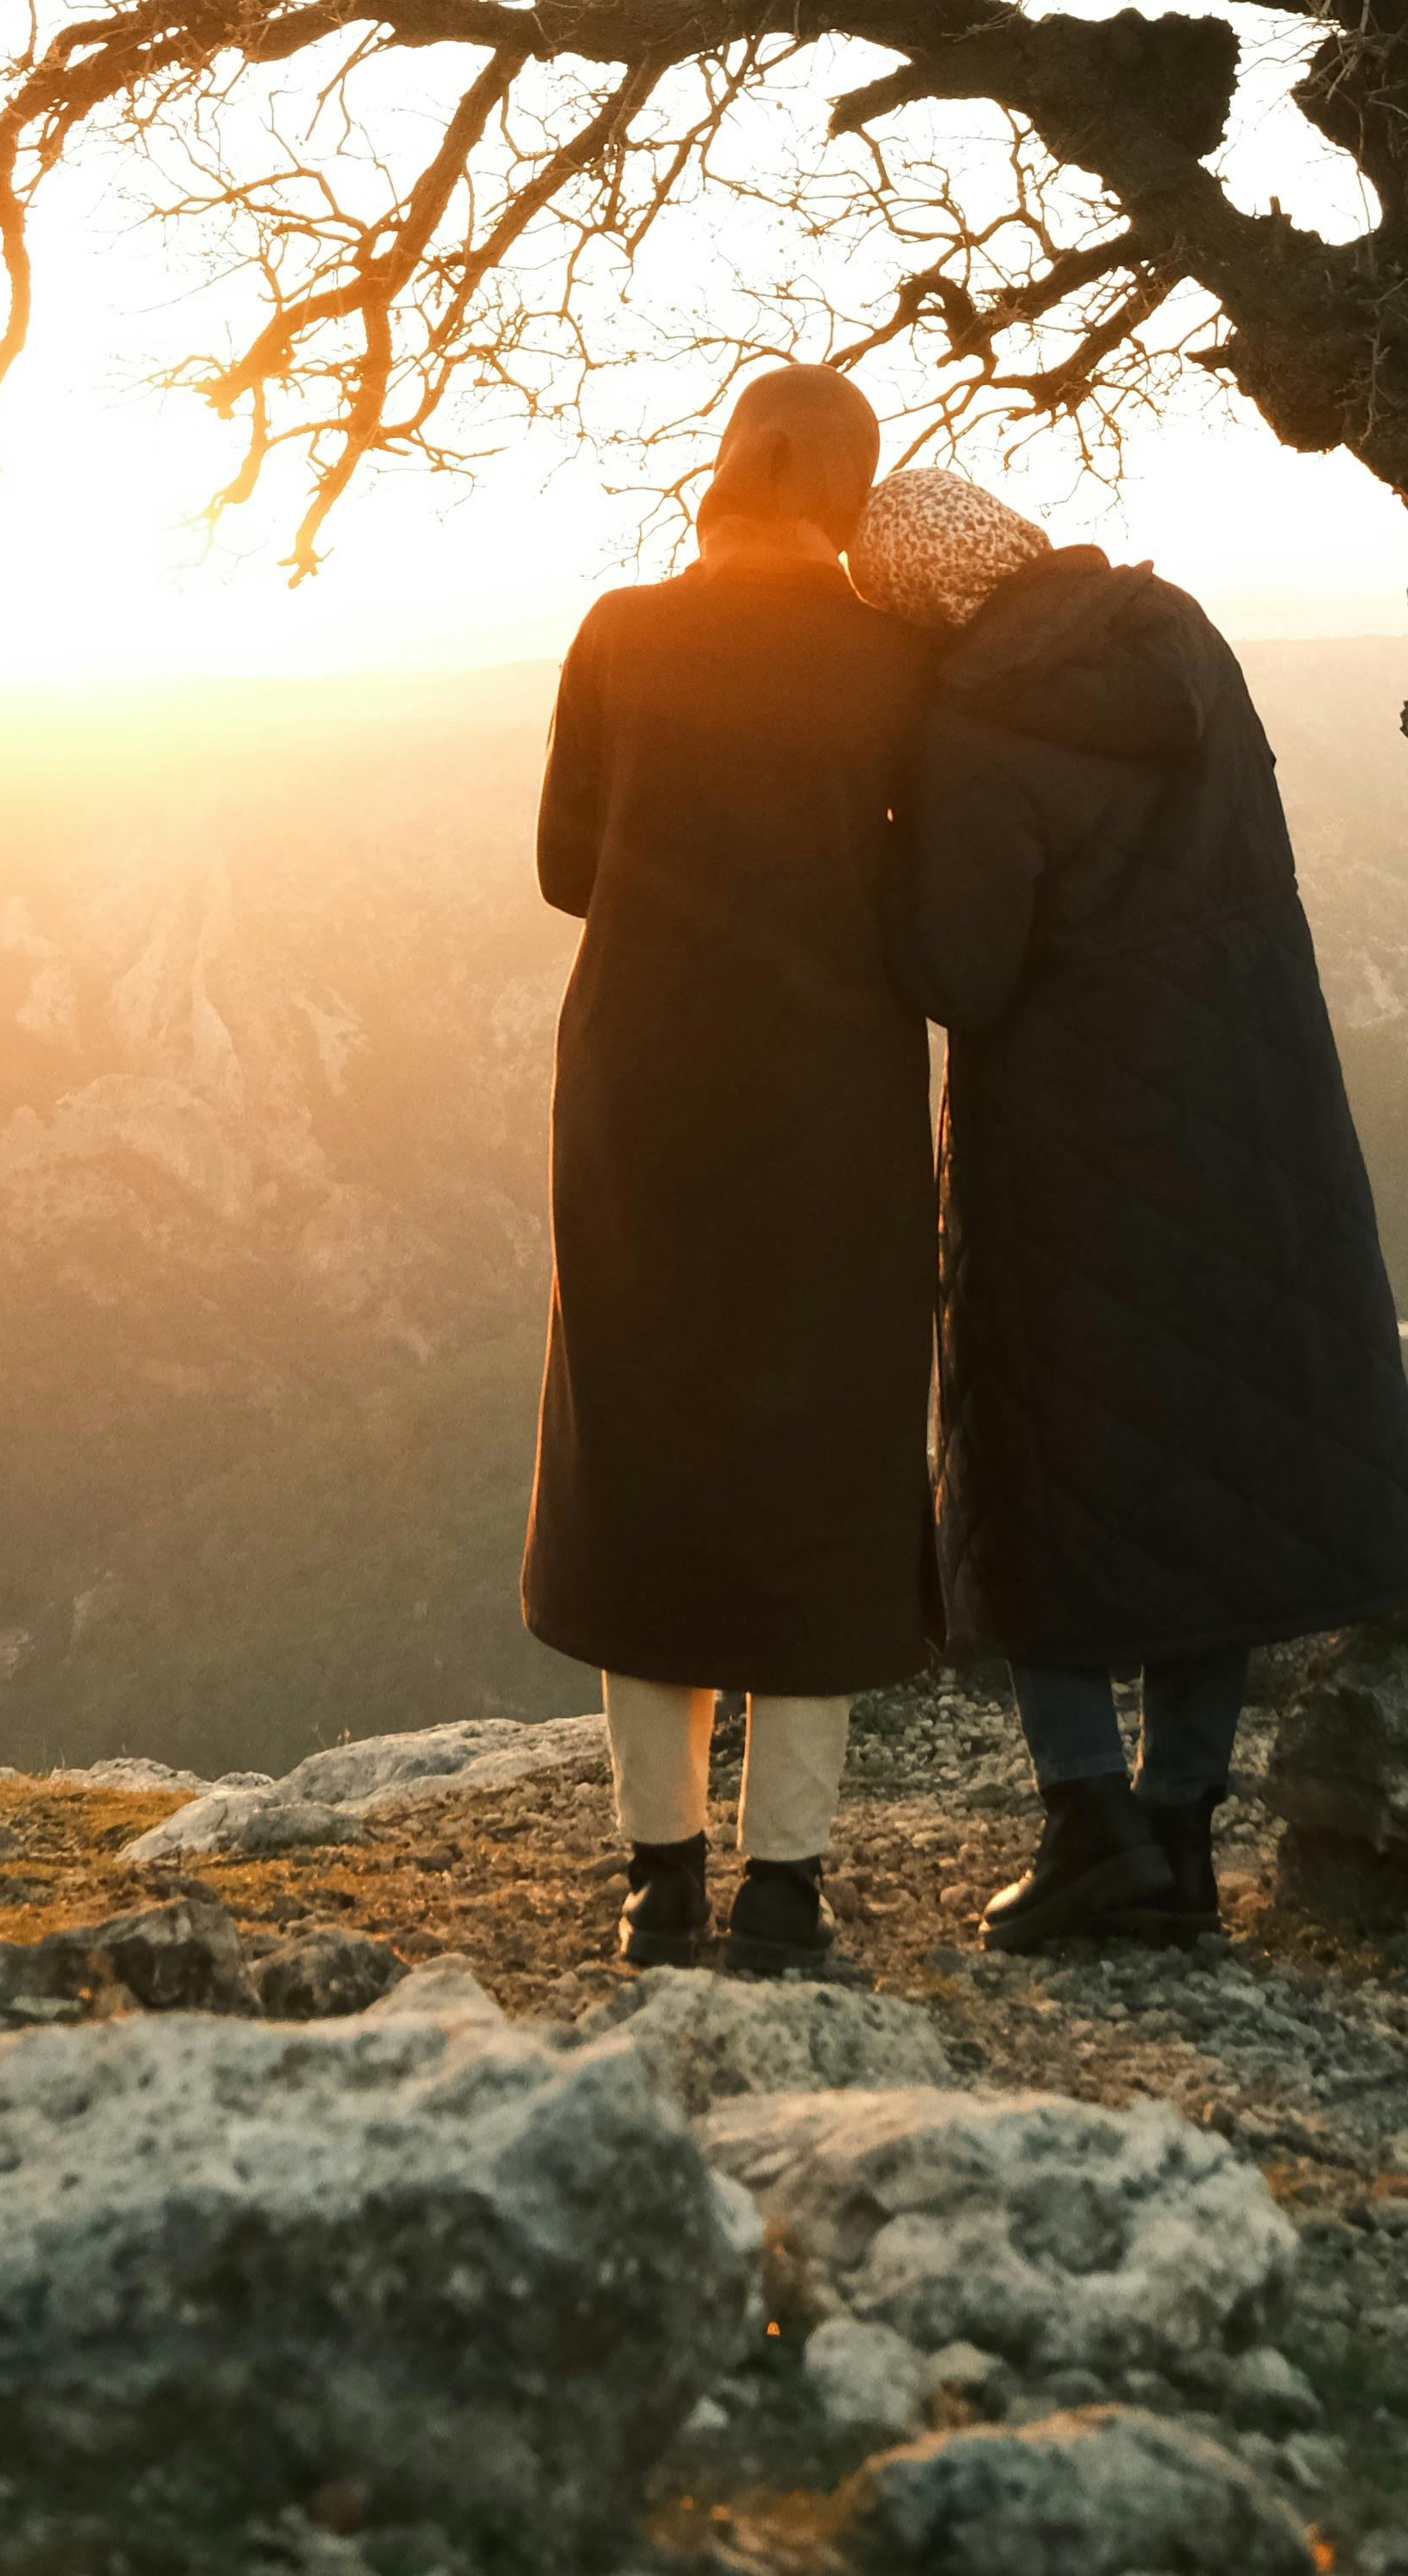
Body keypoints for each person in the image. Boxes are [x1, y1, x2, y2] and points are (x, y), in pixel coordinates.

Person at [853, 465, 1408, 1950]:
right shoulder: (1183, 643)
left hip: (1066, 1145)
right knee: (1214, 1463)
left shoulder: (970, 729)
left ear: (921, 602)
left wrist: (880, 850)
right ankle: (1179, 1829)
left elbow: (957, 973)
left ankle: (1087, 1823)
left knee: (1049, 1476)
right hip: (1251, 1113)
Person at [523, 360, 940, 1969]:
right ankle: (787, 1885)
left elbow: (570, 866)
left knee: (650, 1443)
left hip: (641, 1091)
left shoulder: (622, 632)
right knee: (821, 1455)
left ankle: (658, 1876)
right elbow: (927, 901)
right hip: (831, 1101)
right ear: (847, 490)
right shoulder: (893, 661)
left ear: (723, 469)